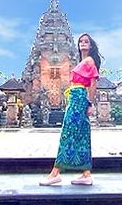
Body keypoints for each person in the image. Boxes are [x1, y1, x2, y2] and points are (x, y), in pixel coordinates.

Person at [40, 33, 101, 186]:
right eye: (81, 41)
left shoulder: (89, 60)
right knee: (80, 134)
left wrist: (89, 103)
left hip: (79, 98)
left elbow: (93, 83)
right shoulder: (83, 61)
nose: (83, 43)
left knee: (67, 133)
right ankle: (86, 174)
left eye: (86, 41)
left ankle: (55, 173)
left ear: (91, 45)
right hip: (75, 97)